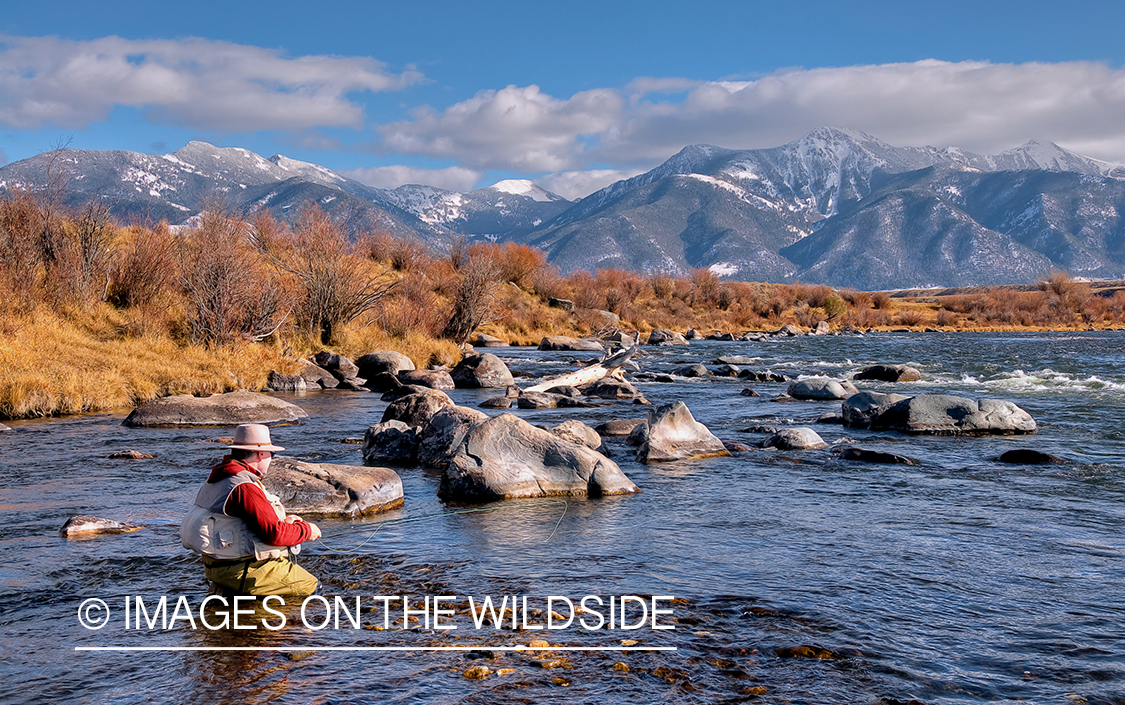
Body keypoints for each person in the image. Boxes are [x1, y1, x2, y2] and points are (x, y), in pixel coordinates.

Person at [181, 424, 321, 596]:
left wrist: (286, 523)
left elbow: (238, 525)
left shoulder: (220, 478)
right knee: (312, 587)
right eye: (271, 453)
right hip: (241, 570)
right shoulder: (244, 487)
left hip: (216, 568)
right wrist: (306, 530)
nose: (271, 458)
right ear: (261, 454)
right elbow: (273, 534)